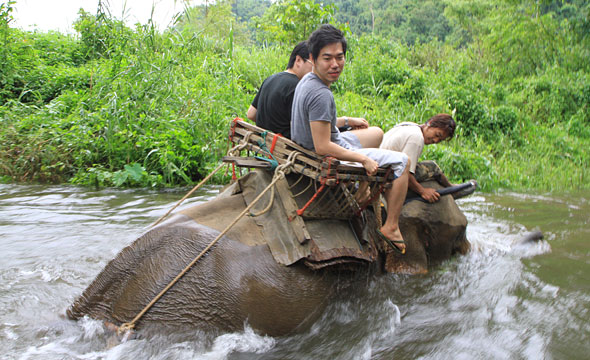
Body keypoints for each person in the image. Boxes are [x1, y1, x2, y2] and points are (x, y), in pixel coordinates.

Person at [291, 24, 409, 254]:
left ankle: (365, 183)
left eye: (339, 57)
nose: (335, 64)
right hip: (324, 152)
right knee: (403, 162)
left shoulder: (307, 80)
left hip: (318, 143)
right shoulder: (320, 94)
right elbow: (323, 146)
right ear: (312, 58)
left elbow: (318, 126)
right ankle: (392, 227)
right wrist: (362, 160)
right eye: (327, 58)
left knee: (375, 133)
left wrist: (346, 121)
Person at [247, 41, 383, 147]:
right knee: (376, 133)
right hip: (296, 150)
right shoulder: (300, 87)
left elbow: (251, 114)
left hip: (271, 147)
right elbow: (312, 125)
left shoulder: (271, 79)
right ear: (298, 60)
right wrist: (348, 121)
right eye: (314, 63)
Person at [380, 114, 458, 203]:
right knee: (432, 168)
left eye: (440, 140)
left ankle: (450, 187)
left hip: (379, 163)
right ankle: (451, 188)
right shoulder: (417, 138)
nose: (436, 141)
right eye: (437, 135)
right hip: (385, 172)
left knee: (429, 165)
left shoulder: (409, 125)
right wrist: (423, 191)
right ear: (430, 123)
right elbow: (405, 173)